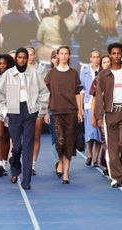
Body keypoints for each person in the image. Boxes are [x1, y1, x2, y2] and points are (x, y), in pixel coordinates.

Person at [0, 47, 49, 190]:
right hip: (13, 112)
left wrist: (40, 111)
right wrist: (6, 112)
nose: (22, 60)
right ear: (16, 59)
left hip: (30, 112)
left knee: (28, 147)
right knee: (17, 146)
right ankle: (15, 169)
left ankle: (26, 181)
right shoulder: (8, 74)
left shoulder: (34, 73)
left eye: (24, 57)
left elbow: (44, 93)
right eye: (19, 57)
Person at [95, 42, 122, 187]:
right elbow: (99, 96)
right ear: (110, 55)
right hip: (110, 113)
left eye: (118, 53)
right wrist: (99, 116)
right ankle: (116, 177)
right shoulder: (103, 75)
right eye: (113, 53)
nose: (116, 56)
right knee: (112, 147)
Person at [44, 45, 83, 184]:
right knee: (59, 142)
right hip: (56, 112)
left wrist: (80, 110)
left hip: (71, 112)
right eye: (61, 53)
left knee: (69, 143)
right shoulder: (51, 74)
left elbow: (78, 93)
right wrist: (45, 112)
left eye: (67, 53)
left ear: (69, 56)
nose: (64, 56)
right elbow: (46, 94)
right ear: (58, 56)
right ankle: (59, 161)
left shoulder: (74, 73)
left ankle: (66, 173)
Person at [26, 46, 47, 176]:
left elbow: (44, 90)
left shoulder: (41, 69)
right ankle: (23, 161)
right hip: (22, 108)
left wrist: (44, 110)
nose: (29, 57)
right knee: (24, 137)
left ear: (35, 56)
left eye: (32, 54)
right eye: (27, 54)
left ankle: (32, 164)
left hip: (37, 107)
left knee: (36, 136)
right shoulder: (18, 69)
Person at [90, 55, 111, 176]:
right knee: (105, 140)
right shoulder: (98, 79)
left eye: (109, 62)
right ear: (101, 65)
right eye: (104, 62)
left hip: (116, 113)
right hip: (101, 114)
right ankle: (107, 165)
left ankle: (113, 163)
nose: (107, 64)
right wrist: (93, 116)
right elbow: (93, 99)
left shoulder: (118, 77)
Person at [80, 49, 101, 167]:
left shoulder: (103, 71)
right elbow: (82, 90)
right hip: (88, 104)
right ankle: (89, 154)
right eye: (94, 57)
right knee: (90, 132)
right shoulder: (85, 71)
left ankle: (96, 158)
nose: (96, 59)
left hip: (100, 106)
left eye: (98, 57)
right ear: (90, 58)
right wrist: (81, 108)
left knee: (98, 134)